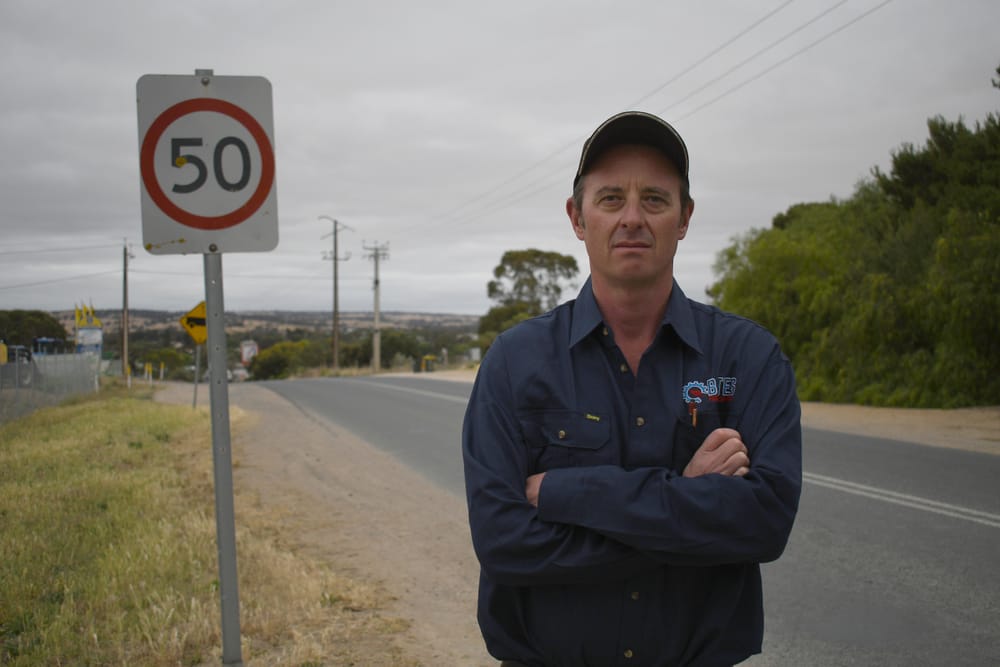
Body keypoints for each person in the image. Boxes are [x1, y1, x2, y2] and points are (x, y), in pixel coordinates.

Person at [462, 111, 802, 667]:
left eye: (655, 200)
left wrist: (566, 495)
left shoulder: (747, 359)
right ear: (578, 217)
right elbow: (503, 543)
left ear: (685, 218)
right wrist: (687, 499)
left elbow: (764, 524)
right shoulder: (515, 363)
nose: (633, 218)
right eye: (612, 198)